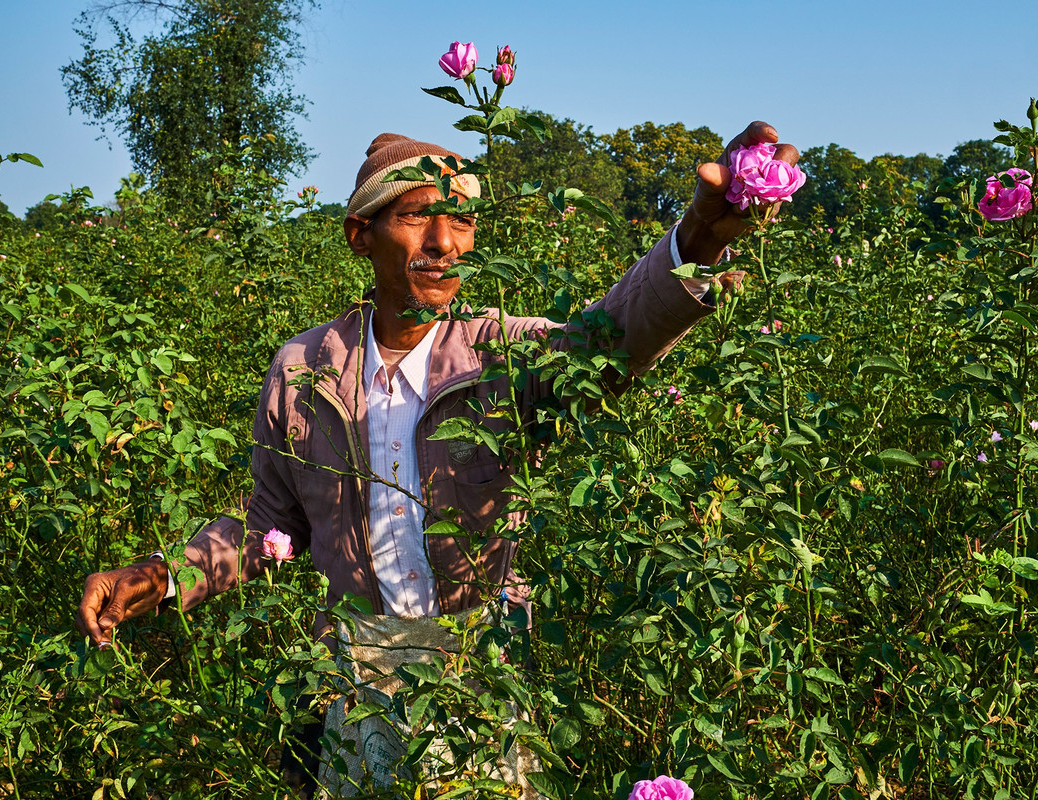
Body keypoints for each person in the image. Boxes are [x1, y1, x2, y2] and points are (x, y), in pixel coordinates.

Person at [75, 122, 799, 795]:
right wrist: (165, 575)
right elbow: (273, 519)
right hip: (357, 666)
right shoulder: (304, 366)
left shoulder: (502, 353)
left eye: (461, 220)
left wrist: (696, 242)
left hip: (480, 659)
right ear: (361, 235)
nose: (445, 242)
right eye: (418, 216)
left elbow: (612, 343)